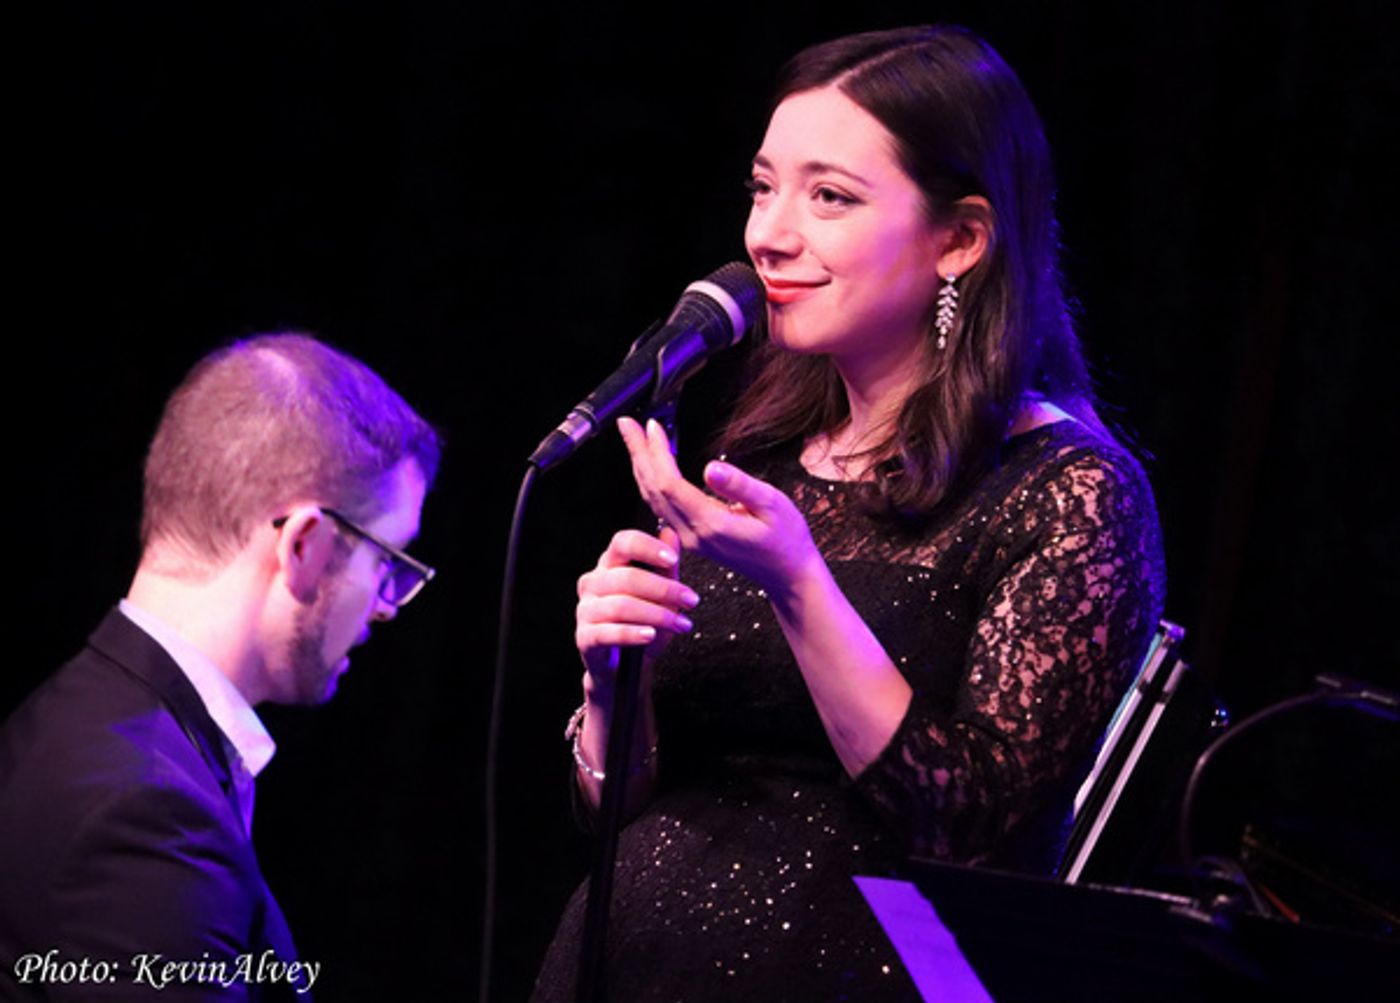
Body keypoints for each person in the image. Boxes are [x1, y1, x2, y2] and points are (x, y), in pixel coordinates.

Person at [532, 24, 1167, 1002]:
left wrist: (799, 586)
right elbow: (612, 806)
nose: (768, 233)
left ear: (957, 239)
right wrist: (614, 685)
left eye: (827, 196)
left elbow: (971, 824)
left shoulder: (1068, 492)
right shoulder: (759, 461)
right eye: (762, 186)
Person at [0, 333, 440, 1002]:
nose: (386, 608)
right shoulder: (143, 809)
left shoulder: (73, 722)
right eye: (386, 563)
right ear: (306, 545)